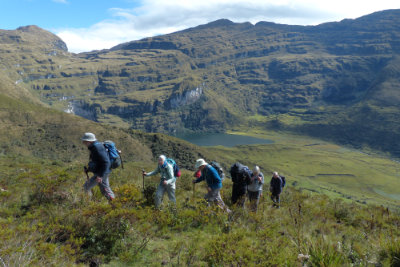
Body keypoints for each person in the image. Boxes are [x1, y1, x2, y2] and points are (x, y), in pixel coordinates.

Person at [82, 132, 115, 201]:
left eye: (85, 141)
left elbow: (106, 162)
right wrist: (89, 169)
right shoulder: (95, 147)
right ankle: (113, 204)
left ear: (89, 141)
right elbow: (97, 162)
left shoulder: (97, 148)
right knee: (105, 189)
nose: (83, 143)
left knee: (86, 187)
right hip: (102, 172)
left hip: (102, 173)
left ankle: (88, 203)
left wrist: (100, 176)